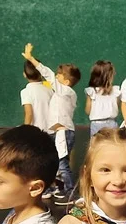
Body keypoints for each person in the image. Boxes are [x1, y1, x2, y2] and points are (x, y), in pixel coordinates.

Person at [21, 44, 81, 206]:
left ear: (66, 81)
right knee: (57, 162)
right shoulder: (62, 93)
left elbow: (46, 73)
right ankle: (60, 187)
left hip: (63, 132)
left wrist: (31, 59)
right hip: (60, 132)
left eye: (59, 75)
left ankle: (71, 193)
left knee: (62, 163)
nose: (56, 75)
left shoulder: (65, 91)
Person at [85, 60, 120, 137]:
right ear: (109, 76)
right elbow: (117, 106)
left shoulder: (91, 91)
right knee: (113, 143)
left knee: (97, 143)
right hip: (112, 123)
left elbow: (88, 110)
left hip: (96, 124)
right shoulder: (115, 91)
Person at [21, 60, 53, 134]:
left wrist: (24, 131)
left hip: (37, 132)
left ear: (24, 74)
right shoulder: (49, 86)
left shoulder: (26, 91)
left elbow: (29, 114)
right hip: (53, 130)